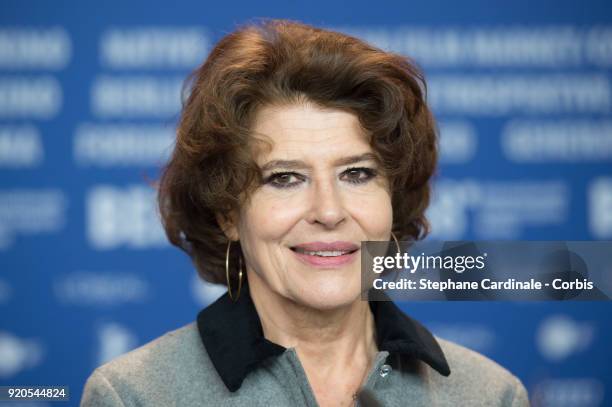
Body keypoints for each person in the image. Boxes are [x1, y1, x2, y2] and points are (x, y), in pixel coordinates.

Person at [81, 18, 530, 407]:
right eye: (284, 178)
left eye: (357, 174)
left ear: (393, 201)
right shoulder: (133, 395)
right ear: (227, 214)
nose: (328, 211)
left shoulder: (490, 393)